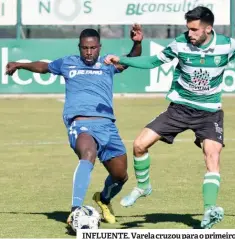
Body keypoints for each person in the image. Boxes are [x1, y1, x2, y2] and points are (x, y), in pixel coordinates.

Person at [105, 7, 235, 229]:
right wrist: (122, 60)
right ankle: (143, 187)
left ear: (208, 29)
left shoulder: (227, 45)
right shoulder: (180, 43)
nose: (190, 33)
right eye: (188, 29)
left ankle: (209, 210)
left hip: (209, 113)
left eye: (195, 29)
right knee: (139, 145)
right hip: (179, 109)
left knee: (212, 157)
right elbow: (152, 62)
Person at [5, 25, 143, 226]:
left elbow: (132, 58)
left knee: (120, 175)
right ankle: (75, 212)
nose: (89, 52)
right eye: (85, 48)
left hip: (107, 126)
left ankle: (103, 199)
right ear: (79, 47)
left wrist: (137, 43)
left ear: (99, 47)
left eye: (93, 48)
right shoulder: (67, 63)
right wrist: (19, 64)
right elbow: (43, 67)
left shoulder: (108, 64)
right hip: (80, 124)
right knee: (88, 153)